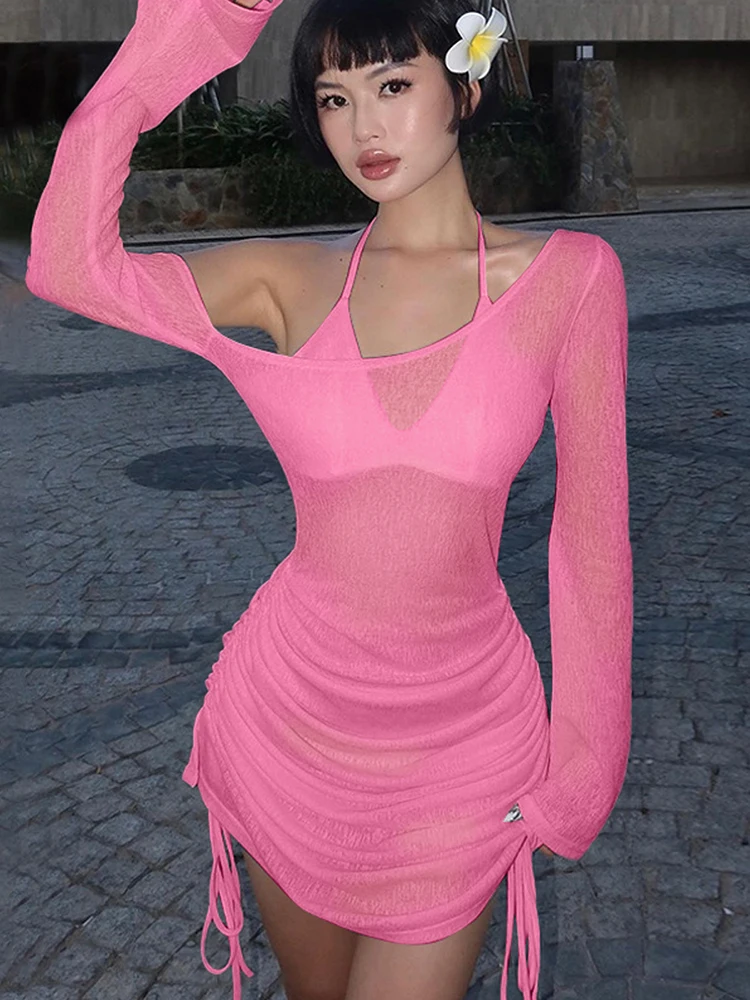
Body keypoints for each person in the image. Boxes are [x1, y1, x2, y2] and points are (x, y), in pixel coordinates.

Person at [25, 0, 634, 998]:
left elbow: (592, 540)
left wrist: (584, 767)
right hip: (290, 727)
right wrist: (177, 41)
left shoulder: (569, 281)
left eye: (393, 85)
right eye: (335, 98)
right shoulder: (289, 279)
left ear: (465, 86)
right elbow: (65, 266)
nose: (364, 128)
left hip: (462, 751)